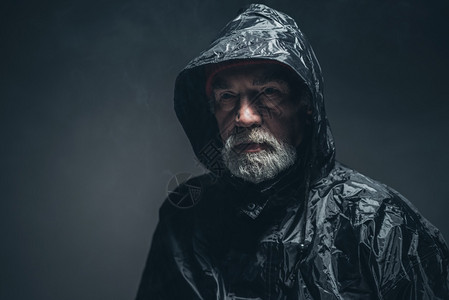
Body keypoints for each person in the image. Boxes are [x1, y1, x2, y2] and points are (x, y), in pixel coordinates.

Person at [136, 4, 449, 299]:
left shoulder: (381, 224)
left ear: (307, 104)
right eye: (227, 97)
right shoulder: (186, 220)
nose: (244, 117)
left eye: (268, 93)